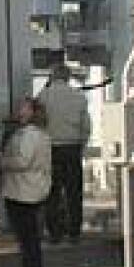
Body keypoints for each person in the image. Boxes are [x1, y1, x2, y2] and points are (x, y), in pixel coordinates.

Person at [0, 98, 54, 267]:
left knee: (26, 237)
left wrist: (2, 161)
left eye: (22, 108)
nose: (18, 111)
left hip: (22, 190)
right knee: (31, 237)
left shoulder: (28, 135)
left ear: (31, 112)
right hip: (35, 188)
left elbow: (23, 161)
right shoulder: (43, 134)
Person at [35, 69, 90, 245]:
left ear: (52, 77)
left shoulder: (43, 96)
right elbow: (86, 126)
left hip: (51, 148)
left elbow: (38, 122)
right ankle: (74, 231)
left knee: (52, 192)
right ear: (68, 77)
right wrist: (82, 143)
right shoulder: (79, 96)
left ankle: (54, 232)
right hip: (72, 147)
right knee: (74, 192)